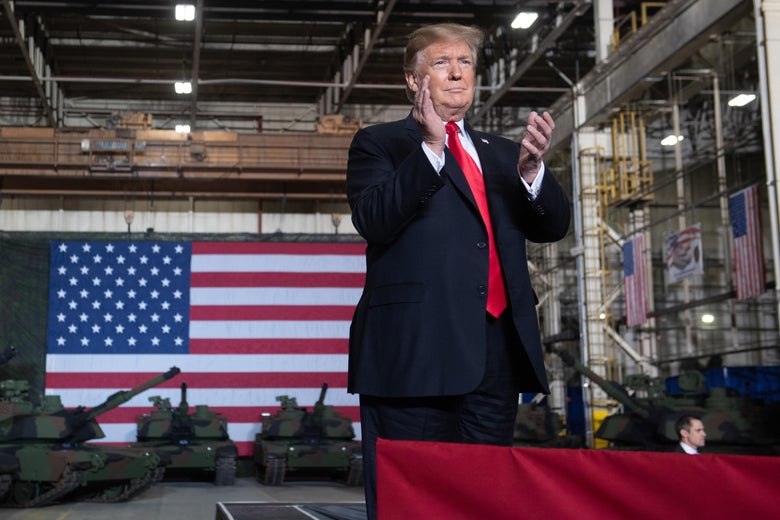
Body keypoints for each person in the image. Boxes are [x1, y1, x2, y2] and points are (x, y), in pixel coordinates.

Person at [345, 22, 571, 519]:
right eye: (441, 63)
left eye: (464, 63)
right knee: (414, 499)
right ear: (413, 80)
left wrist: (533, 172)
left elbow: (553, 227)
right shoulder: (379, 144)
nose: (455, 73)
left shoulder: (505, 154)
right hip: (416, 352)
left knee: (483, 496)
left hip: (495, 353)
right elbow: (374, 220)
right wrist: (430, 148)